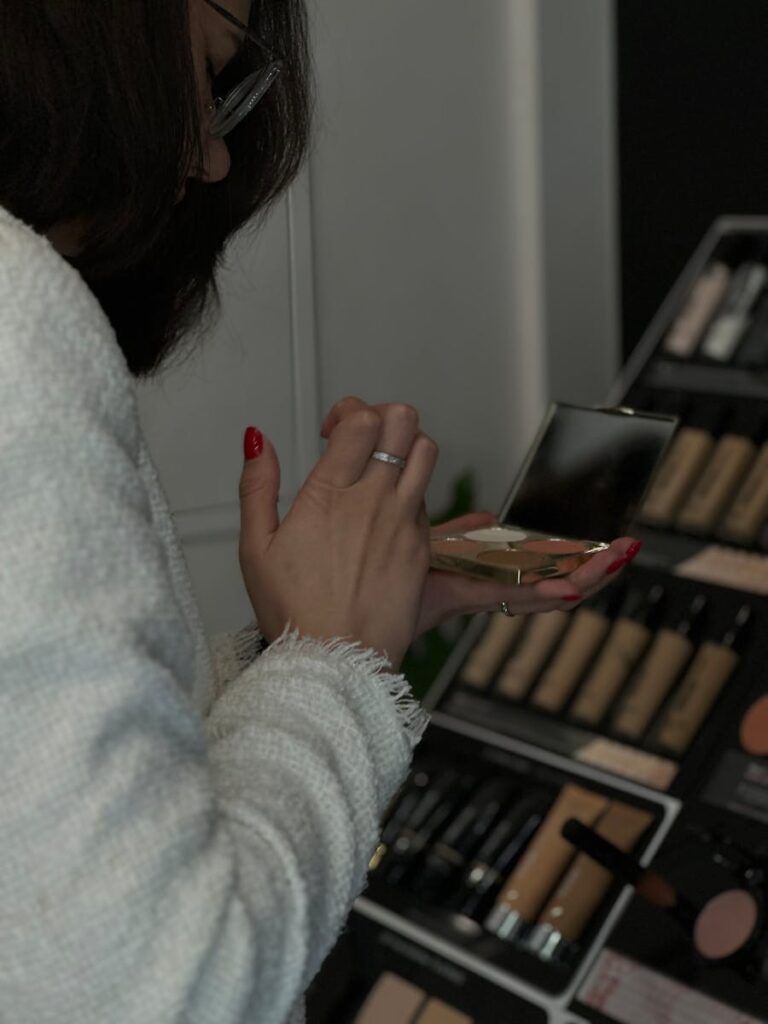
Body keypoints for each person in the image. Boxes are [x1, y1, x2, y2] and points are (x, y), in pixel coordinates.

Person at [0, 1, 640, 1021]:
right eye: (211, 72)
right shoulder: (16, 324)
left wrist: (308, 636)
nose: (212, 156)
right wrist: (338, 661)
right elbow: (170, 987)